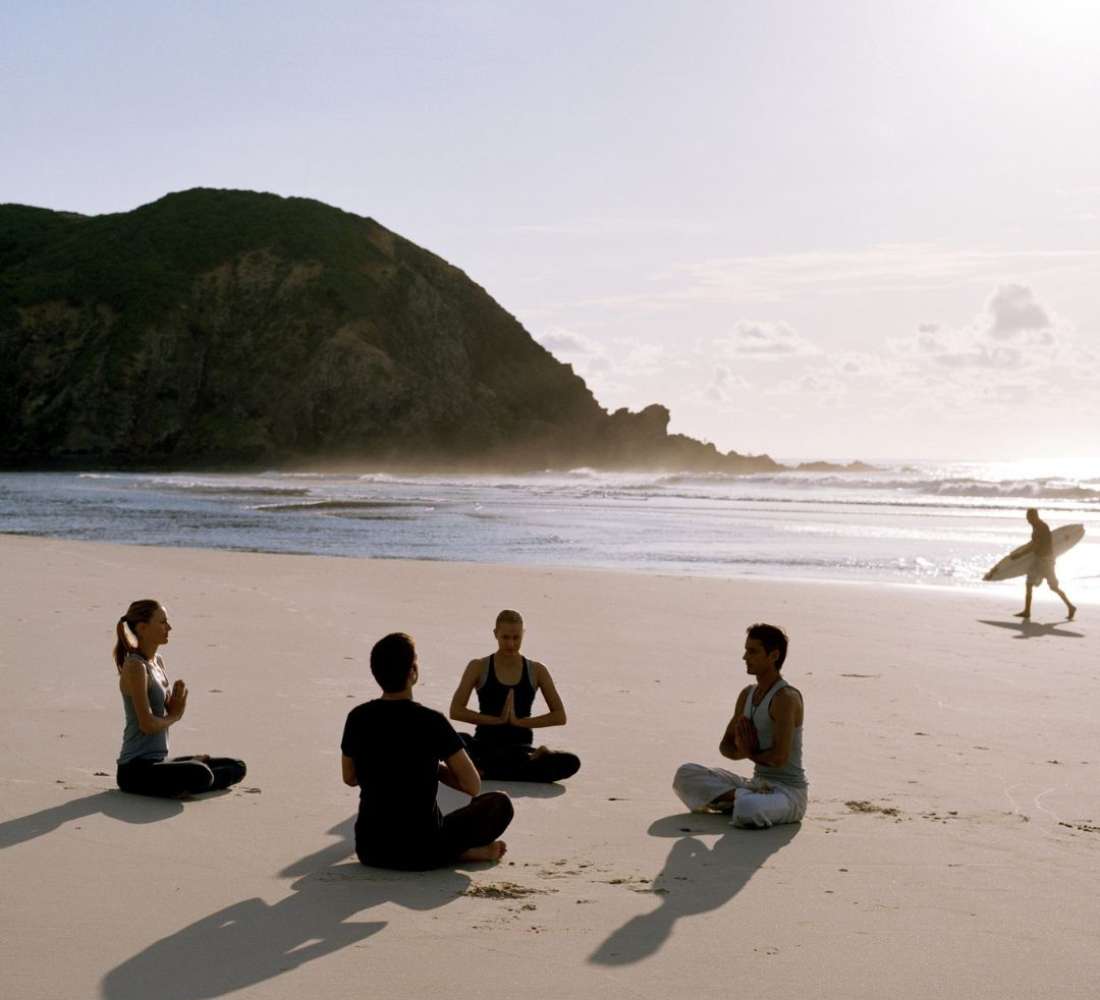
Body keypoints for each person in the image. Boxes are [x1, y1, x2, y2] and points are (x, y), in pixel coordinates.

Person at [341, 632, 513, 870]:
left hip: (372, 850)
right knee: (499, 804)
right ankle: (458, 852)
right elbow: (472, 785)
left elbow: (349, 777)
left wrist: (385, 770)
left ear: (376, 673)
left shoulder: (357, 717)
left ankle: (456, 852)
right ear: (413, 672)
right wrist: (435, 770)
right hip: (423, 850)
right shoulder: (432, 721)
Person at [673, 623, 806, 829]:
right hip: (755, 785)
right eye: (745, 650)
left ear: (773, 656)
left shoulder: (785, 698)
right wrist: (743, 751)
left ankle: (736, 801)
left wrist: (750, 753)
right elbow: (726, 747)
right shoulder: (747, 694)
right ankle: (738, 798)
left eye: (752, 651)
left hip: (788, 793)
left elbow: (780, 758)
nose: (745, 657)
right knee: (685, 774)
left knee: (748, 807)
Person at [114, 600, 247, 798]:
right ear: (142, 628)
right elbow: (146, 724)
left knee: (237, 766)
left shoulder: (157, 661)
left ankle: (183, 783)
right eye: (162, 622)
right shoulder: (135, 667)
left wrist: (171, 708)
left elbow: (160, 715)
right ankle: (188, 781)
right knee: (200, 773)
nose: (169, 627)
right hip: (134, 770)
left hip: (159, 762)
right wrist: (174, 716)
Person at [449, 610, 580, 783]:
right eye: (505, 638)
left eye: (516, 638)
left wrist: (519, 722)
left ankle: (485, 771)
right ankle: (503, 771)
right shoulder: (478, 666)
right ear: (495, 634)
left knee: (571, 761)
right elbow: (456, 711)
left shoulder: (537, 670)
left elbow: (559, 716)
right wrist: (496, 720)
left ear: (523, 635)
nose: (511, 644)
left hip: (520, 750)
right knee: (454, 740)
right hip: (484, 746)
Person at [1015, 508, 1076, 620]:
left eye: (1029, 518)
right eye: (1027, 518)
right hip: (1041, 560)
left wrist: (1020, 555)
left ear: (1035, 517)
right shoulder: (1038, 526)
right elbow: (1035, 544)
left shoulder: (1041, 528)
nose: (1028, 520)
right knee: (1029, 583)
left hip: (1045, 561)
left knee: (1053, 587)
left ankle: (1071, 606)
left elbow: (1035, 546)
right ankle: (1027, 611)